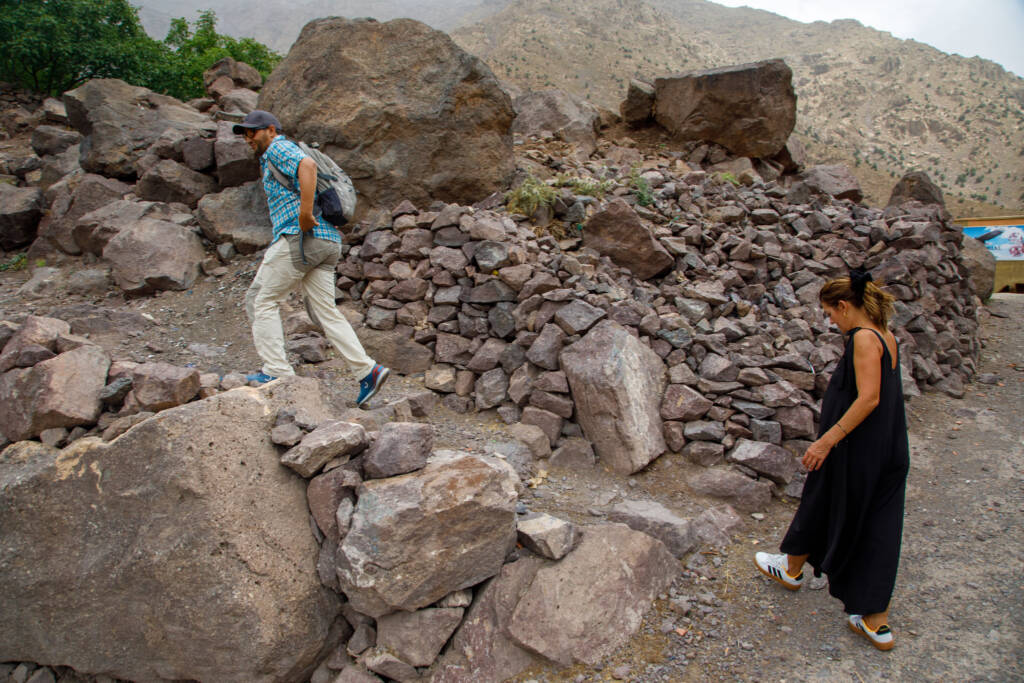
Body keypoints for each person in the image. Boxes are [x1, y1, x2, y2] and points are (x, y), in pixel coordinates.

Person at [754, 269, 909, 651]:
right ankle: (875, 621)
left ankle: (792, 569)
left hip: (857, 448)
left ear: (844, 306)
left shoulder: (863, 338)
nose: (831, 321)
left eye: (830, 313)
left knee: (822, 498)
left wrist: (827, 441)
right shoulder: (887, 336)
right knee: (877, 527)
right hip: (889, 449)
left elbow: (869, 398)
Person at [233, 110, 389, 407]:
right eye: (244, 134)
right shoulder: (274, 153)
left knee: (260, 300)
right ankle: (367, 370)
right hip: (327, 242)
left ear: (270, 130)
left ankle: (276, 372)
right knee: (325, 311)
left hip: (300, 237)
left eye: (252, 132)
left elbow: (307, 165)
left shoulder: (278, 147)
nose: (248, 138)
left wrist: (305, 214)